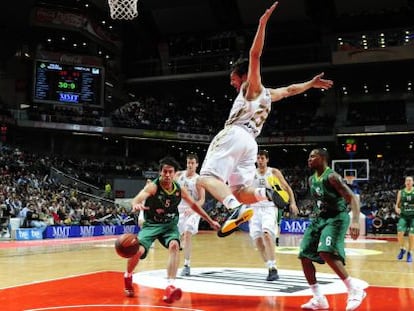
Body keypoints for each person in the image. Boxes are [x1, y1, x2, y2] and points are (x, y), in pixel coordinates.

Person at [197, 1, 333, 237]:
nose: (232, 82)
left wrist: (262, 24)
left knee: (206, 178)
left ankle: (235, 209)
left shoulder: (252, 87)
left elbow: (254, 54)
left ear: (243, 76)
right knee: (240, 190)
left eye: (233, 78)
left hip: (235, 134)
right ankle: (265, 194)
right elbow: (290, 89)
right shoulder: (269, 95)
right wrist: (310, 84)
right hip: (251, 143)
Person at [123, 157, 220, 303]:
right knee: (138, 251)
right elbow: (137, 199)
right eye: (164, 172)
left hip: (169, 225)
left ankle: (170, 286)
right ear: (160, 172)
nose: (167, 175)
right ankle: (128, 275)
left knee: (175, 246)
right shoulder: (153, 187)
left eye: (170, 172)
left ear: (175, 174)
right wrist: (136, 205)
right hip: (151, 225)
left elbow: (194, 206)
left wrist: (210, 220)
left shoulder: (179, 189)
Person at [299, 149, 366, 311]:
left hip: (336, 217)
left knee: (325, 252)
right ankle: (318, 298)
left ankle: (354, 289)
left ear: (322, 158)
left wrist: (355, 221)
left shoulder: (332, 177)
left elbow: (352, 198)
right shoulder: (311, 179)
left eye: (313, 156)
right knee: (304, 256)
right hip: (319, 218)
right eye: (309, 157)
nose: (309, 159)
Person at [248, 149, 298, 281]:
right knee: (257, 241)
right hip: (254, 208)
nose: (260, 160)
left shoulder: (273, 172)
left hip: (269, 207)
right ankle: (269, 265)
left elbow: (287, 188)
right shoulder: (251, 173)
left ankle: (273, 267)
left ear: (267, 159)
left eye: (262, 158)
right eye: (258, 158)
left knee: (267, 235)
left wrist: (292, 203)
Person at [175, 153, 205, 276]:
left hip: (193, 210)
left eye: (192, 163)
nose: (190, 165)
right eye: (188, 163)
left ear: (197, 165)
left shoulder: (198, 180)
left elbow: (202, 199)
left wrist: (193, 209)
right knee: (176, 237)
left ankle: (187, 265)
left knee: (187, 233)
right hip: (179, 209)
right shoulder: (178, 176)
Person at [395, 176, 414, 263]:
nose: (408, 182)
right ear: (405, 182)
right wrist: (397, 208)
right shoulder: (401, 192)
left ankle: (410, 252)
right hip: (404, 216)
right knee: (399, 233)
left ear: (413, 182)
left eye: (410, 180)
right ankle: (402, 249)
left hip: (413, 217)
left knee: (411, 235)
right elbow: (397, 204)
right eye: (407, 180)